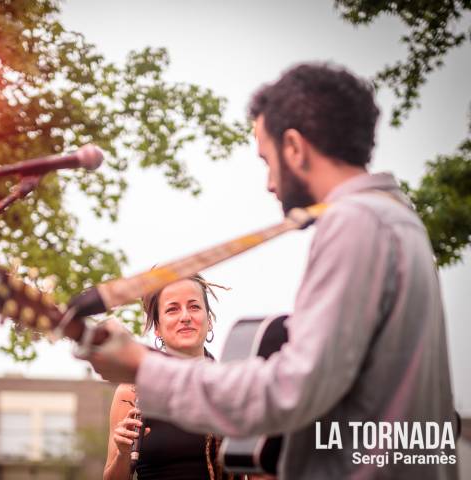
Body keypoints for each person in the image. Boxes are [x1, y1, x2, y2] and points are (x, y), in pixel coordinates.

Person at [86, 62, 458, 479]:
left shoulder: (355, 223)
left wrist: (144, 367)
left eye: (267, 159)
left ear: (295, 147)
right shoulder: (399, 219)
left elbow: (290, 391)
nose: (268, 183)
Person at [103, 274, 227, 480]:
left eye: (194, 307)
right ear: (158, 328)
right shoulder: (133, 392)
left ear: (210, 320)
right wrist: (123, 454)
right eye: (172, 309)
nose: (185, 316)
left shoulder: (231, 387)